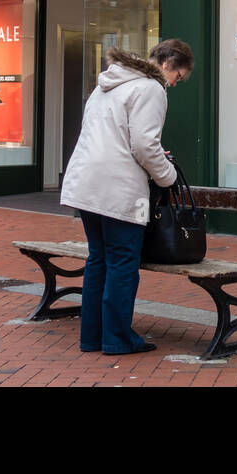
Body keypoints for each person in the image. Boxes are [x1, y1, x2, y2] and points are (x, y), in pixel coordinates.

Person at [60, 39, 194, 355]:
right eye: (179, 77)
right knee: (122, 263)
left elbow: (108, 135)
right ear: (169, 64)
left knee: (98, 260)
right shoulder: (151, 89)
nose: (175, 84)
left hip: (86, 183)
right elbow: (144, 146)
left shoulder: (106, 85)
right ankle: (117, 338)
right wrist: (169, 175)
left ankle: (92, 337)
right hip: (118, 188)